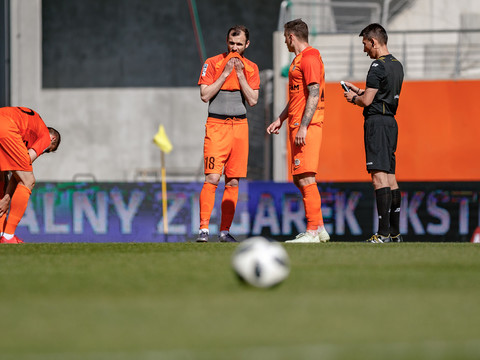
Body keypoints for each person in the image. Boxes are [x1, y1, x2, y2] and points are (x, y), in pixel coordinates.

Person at [267, 19, 330, 243]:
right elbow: (298, 97)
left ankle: (312, 230)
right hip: (296, 124)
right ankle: (319, 227)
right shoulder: (299, 59)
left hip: (307, 127)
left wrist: (303, 126)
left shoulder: (310, 57)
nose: (285, 41)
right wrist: (281, 119)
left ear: (291, 36)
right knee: (299, 177)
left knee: (306, 177)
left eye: (285, 37)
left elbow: (314, 93)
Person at [196, 25, 260, 242]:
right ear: (226, 42)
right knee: (212, 177)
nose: (234, 48)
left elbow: (252, 100)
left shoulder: (251, 68)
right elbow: (205, 95)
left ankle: (224, 231)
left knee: (233, 181)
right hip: (217, 125)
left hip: (240, 128)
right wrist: (225, 73)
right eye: (231, 43)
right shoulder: (212, 63)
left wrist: (240, 75)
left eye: (239, 44)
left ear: (246, 45)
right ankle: (204, 229)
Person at [342, 23, 404, 243]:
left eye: (365, 44)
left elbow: (367, 101)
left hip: (376, 124)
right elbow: (381, 94)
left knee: (378, 179)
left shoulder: (377, 66)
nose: (364, 49)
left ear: (374, 42)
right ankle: (395, 233)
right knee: (390, 178)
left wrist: (354, 98)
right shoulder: (397, 64)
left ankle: (383, 233)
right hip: (391, 123)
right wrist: (360, 90)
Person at [0, 106, 61, 244]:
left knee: (2, 178)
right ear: (53, 139)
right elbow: (24, 169)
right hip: (5, 127)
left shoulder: (30, 128)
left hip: (4, 122)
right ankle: (8, 236)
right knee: (28, 180)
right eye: (47, 151)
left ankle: (0, 233)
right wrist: (7, 199)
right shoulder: (46, 137)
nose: (43, 152)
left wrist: (6, 195)